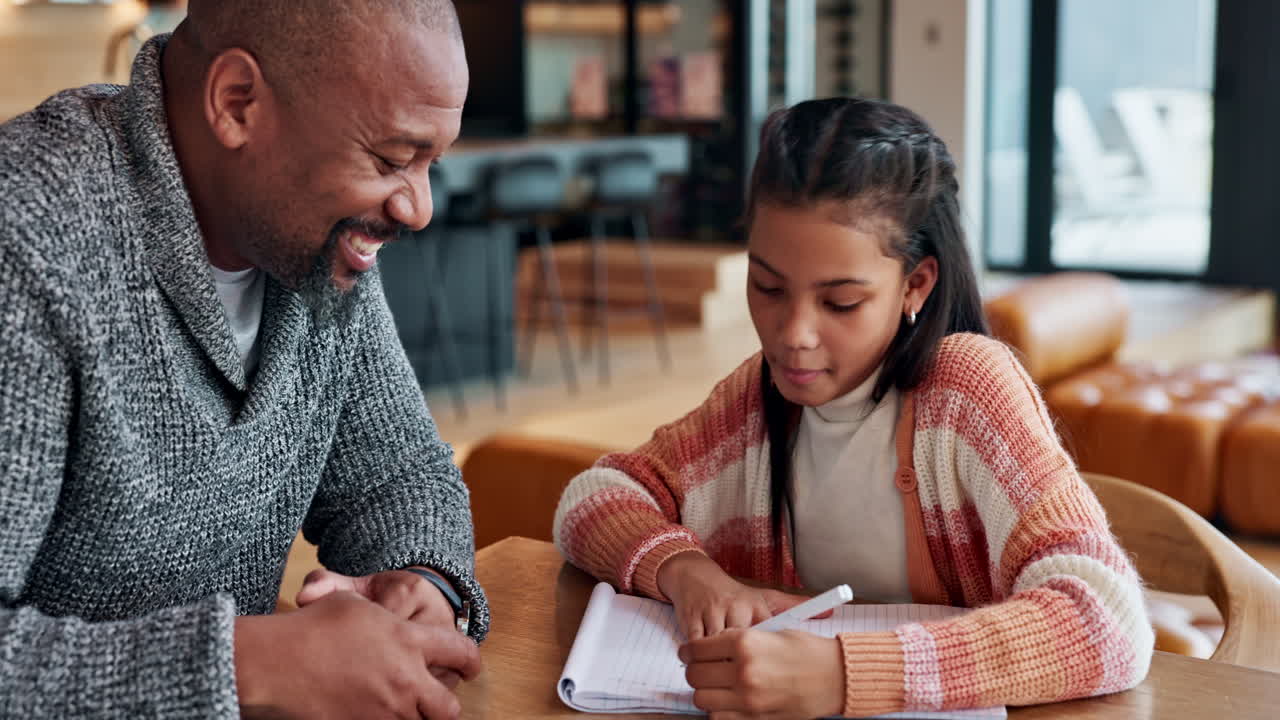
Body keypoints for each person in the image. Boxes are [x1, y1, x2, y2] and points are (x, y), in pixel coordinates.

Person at [554, 98, 1153, 719]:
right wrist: (682, 569)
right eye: (767, 287)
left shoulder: (968, 391)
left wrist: (843, 676)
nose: (793, 334)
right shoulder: (757, 402)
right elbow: (596, 495)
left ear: (915, 285)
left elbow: (1106, 621)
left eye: (839, 302)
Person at [0, 1, 487, 718]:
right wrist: (246, 664)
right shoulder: (28, 235)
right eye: (391, 159)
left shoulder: (314, 242)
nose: (419, 207)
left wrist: (423, 583)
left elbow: (398, 475)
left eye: (430, 163)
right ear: (237, 103)